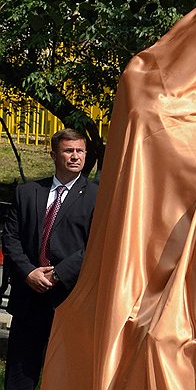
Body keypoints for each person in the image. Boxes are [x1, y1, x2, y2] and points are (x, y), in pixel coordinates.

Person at [2, 129, 97, 390]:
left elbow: (95, 246)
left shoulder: (97, 198)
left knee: (68, 374)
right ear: (54, 154)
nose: (75, 156)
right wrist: (29, 272)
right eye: (69, 151)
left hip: (69, 298)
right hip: (28, 296)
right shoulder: (27, 192)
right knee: (21, 374)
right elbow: (10, 238)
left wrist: (58, 274)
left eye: (80, 151)